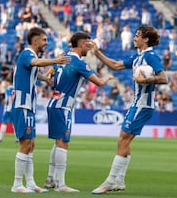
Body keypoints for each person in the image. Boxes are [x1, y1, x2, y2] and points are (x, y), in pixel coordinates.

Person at [91, 25, 168, 194]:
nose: (134, 38)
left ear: (145, 39)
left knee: (123, 139)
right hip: (136, 104)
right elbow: (116, 65)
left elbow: (164, 78)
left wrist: (147, 80)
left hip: (143, 105)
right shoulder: (137, 57)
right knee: (125, 140)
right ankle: (119, 181)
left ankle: (110, 181)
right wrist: (97, 52)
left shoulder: (151, 56)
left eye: (137, 35)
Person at [44, 32, 114, 192]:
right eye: (88, 43)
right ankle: (61, 184)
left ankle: (50, 178)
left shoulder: (62, 57)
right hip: (63, 106)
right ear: (82, 44)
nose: (89, 47)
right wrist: (107, 78)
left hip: (54, 103)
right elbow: (99, 83)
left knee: (58, 142)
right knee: (63, 143)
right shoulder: (78, 62)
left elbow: (50, 76)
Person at [10, 27, 71, 193]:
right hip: (22, 104)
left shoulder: (32, 56)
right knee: (25, 144)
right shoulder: (27, 54)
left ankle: (30, 183)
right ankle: (17, 185)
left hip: (29, 105)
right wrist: (55, 60)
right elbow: (35, 64)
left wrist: (45, 79)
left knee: (31, 144)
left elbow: (33, 72)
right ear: (35, 40)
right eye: (44, 40)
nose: (46, 43)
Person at [0, 78, 18, 142]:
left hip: (8, 109)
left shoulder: (8, 89)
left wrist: (9, 106)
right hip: (15, 108)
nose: (4, 84)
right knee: (14, 124)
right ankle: (17, 138)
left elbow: (10, 98)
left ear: (7, 82)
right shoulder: (14, 88)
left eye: (5, 82)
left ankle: (0, 138)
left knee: (4, 122)